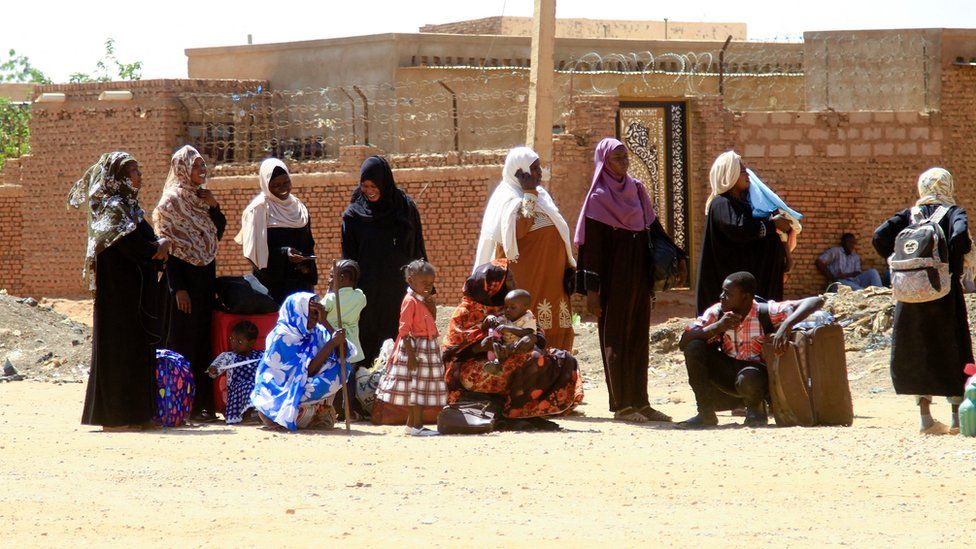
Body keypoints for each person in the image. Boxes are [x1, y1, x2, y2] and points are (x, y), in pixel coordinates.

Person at [575, 137, 683, 423]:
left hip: (639, 275)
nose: (624, 163)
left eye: (626, 157)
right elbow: (592, 252)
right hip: (613, 278)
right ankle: (622, 405)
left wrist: (676, 258)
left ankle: (641, 402)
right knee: (616, 337)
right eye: (617, 158)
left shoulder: (637, 190)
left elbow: (653, 229)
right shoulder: (598, 199)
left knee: (638, 337)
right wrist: (592, 293)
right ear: (604, 162)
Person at [69, 152, 170, 431]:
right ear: (118, 178)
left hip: (136, 299)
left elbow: (147, 243)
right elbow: (131, 247)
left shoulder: (131, 208)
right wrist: (158, 247)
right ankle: (114, 418)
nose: (140, 176)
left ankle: (138, 414)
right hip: (118, 300)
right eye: (134, 171)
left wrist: (160, 246)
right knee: (118, 354)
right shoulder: (112, 210)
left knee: (138, 353)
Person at [873, 167, 974, 435]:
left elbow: (879, 237)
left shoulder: (910, 215)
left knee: (917, 350)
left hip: (909, 295)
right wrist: (949, 265)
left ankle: (925, 418)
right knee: (952, 347)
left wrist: (903, 264)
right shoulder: (953, 213)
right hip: (944, 293)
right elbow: (961, 238)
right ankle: (955, 417)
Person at [442, 259, 583, 427]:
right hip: (476, 368)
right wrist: (481, 346)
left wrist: (531, 338)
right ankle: (514, 413)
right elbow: (451, 354)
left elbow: (537, 333)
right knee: (533, 359)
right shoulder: (466, 311)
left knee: (563, 359)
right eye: (509, 280)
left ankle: (528, 411)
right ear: (494, 285)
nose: (514, 283)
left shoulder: (513, 305)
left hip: (514, 355)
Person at [677, 272, 825, 429]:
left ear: (745, 297)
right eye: (722, 292)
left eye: (728, 293)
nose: (721, 296)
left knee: (749, 377)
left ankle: (756, 410)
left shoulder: (765, 312)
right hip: (727, 376)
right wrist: (717, 327)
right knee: (694, 347)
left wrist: (786, 325)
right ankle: (705, 413)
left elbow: (815, 301)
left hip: (755, 377)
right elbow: (684, 342)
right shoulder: (718, 312)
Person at [474, 146, 576, 351]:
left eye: (539, 167)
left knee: (558, 337)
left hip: (554, 284)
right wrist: (528, 193)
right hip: (528, 284)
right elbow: (518, 231)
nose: (539, 173)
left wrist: (568, 266)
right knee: (531, 338)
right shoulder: (507, 199)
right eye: (534, 169)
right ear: (519, 173)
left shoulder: (542, 197)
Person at [153, 145, 227, 421]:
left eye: (202, 165)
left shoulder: (200, 200)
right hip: (181, 284)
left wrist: (214, 206)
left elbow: (216, 232)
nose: (201, 170)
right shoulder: (171, 203)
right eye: (196, 166)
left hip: (204, 279)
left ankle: (202, 405)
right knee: (183, 342)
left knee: (202, 341)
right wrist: (179, 289)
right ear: (182, 169)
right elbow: (169, 249)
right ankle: (178, 402)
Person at [342, 156, 427, 368]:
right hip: (367, 291)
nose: (369, 191)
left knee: (400, 337)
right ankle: (368, 391)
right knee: (368, 340)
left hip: (398, 289)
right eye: (365, 186)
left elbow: (417, 248)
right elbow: (349, 258)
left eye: (374, 185)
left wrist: (423, 285)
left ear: (384, 183)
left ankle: (398, 390)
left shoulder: (405, 208)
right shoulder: (353, 216)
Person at [696, 151, 793, 314]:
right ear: (729, 175)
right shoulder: (721, 204)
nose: (747, 174)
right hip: (731, 290)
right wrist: (771, 225)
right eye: (741, 171)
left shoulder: (749, 205)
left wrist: (785, 256)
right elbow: (739, 229)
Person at [250, 292, 351, 431]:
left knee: (341, 366)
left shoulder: (317, 331)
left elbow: (343, 352)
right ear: (298, 311)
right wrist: (331, 344)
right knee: (297, 393)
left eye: (317, 314)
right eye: (311, 313)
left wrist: (326, 323)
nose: (315, 318)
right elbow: (308, 371)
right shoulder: (282, 336)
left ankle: (311, 413)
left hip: (303, 387)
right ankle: (293, 415)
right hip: (278, 391)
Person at [374, 260, 448, 436]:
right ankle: (416, 426)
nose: (428, 287)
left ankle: (411, 425)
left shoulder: (423, 299)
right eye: (424, 283)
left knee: (422, 387)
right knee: (416, 389)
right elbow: (404, 330)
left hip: (428, 346)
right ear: (410, 280)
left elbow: (433, 318)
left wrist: (430, 304)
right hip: (415, 348)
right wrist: (411, 356)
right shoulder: (410, 300)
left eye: (431, 283)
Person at [235, 157, 316, 304]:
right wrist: (285, 254)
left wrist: (306, 264)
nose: (283, 188)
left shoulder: (299, 208)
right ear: (266, 185)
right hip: (271, 288)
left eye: (286, 182)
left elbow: (309, 243)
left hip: (300, 286)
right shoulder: (258, 210)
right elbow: (254, 254)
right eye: (276, 185)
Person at [322, 259, 367, 419]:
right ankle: (348, 409)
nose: (329, 280)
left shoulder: (330, 299)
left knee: (335, 378)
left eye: (331, 276)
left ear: (342, 278)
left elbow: (321, 311)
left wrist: (329, 291)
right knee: (349, 380)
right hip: (352, 344)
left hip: (333, 343)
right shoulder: (360, 297)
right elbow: (361, 300)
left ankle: (336, 410)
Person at [207, 321, 263, 425]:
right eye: (231, 339)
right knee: (249, 386)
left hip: (255, 387)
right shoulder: (228, 356)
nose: (234, 343)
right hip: (235, 392)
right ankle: (250, 414)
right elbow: (214, 372)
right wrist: (213, 369)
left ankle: (264, 413)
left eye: (239, 342)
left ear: (251, 343)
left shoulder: (260, 355)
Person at [485, 289, 537, 372]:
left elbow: (529, 332)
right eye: (506, 307)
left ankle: (500, 359)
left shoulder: (528, 317)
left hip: (521, 346)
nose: (508, 310)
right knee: (499, 349)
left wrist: (509, 328)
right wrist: (491, 319)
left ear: (525, 307)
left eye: (513, 307)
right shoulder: (506, 317)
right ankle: (496, 365)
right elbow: (495, 323)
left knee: (511, 349)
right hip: (506, 345)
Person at [816, 233, 883, 290]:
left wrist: (845, 275)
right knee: (858, 290)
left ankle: (879, 293)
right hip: (839, 282)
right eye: (849, 242)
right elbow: (819, 262)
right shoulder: (836, 251)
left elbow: (858, 272)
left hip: (854, 281)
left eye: (853, 243)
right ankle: (863, 293)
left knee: (873, 272)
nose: (852, 245)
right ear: (843, 242)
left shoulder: (855, 256)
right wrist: (833, 278)